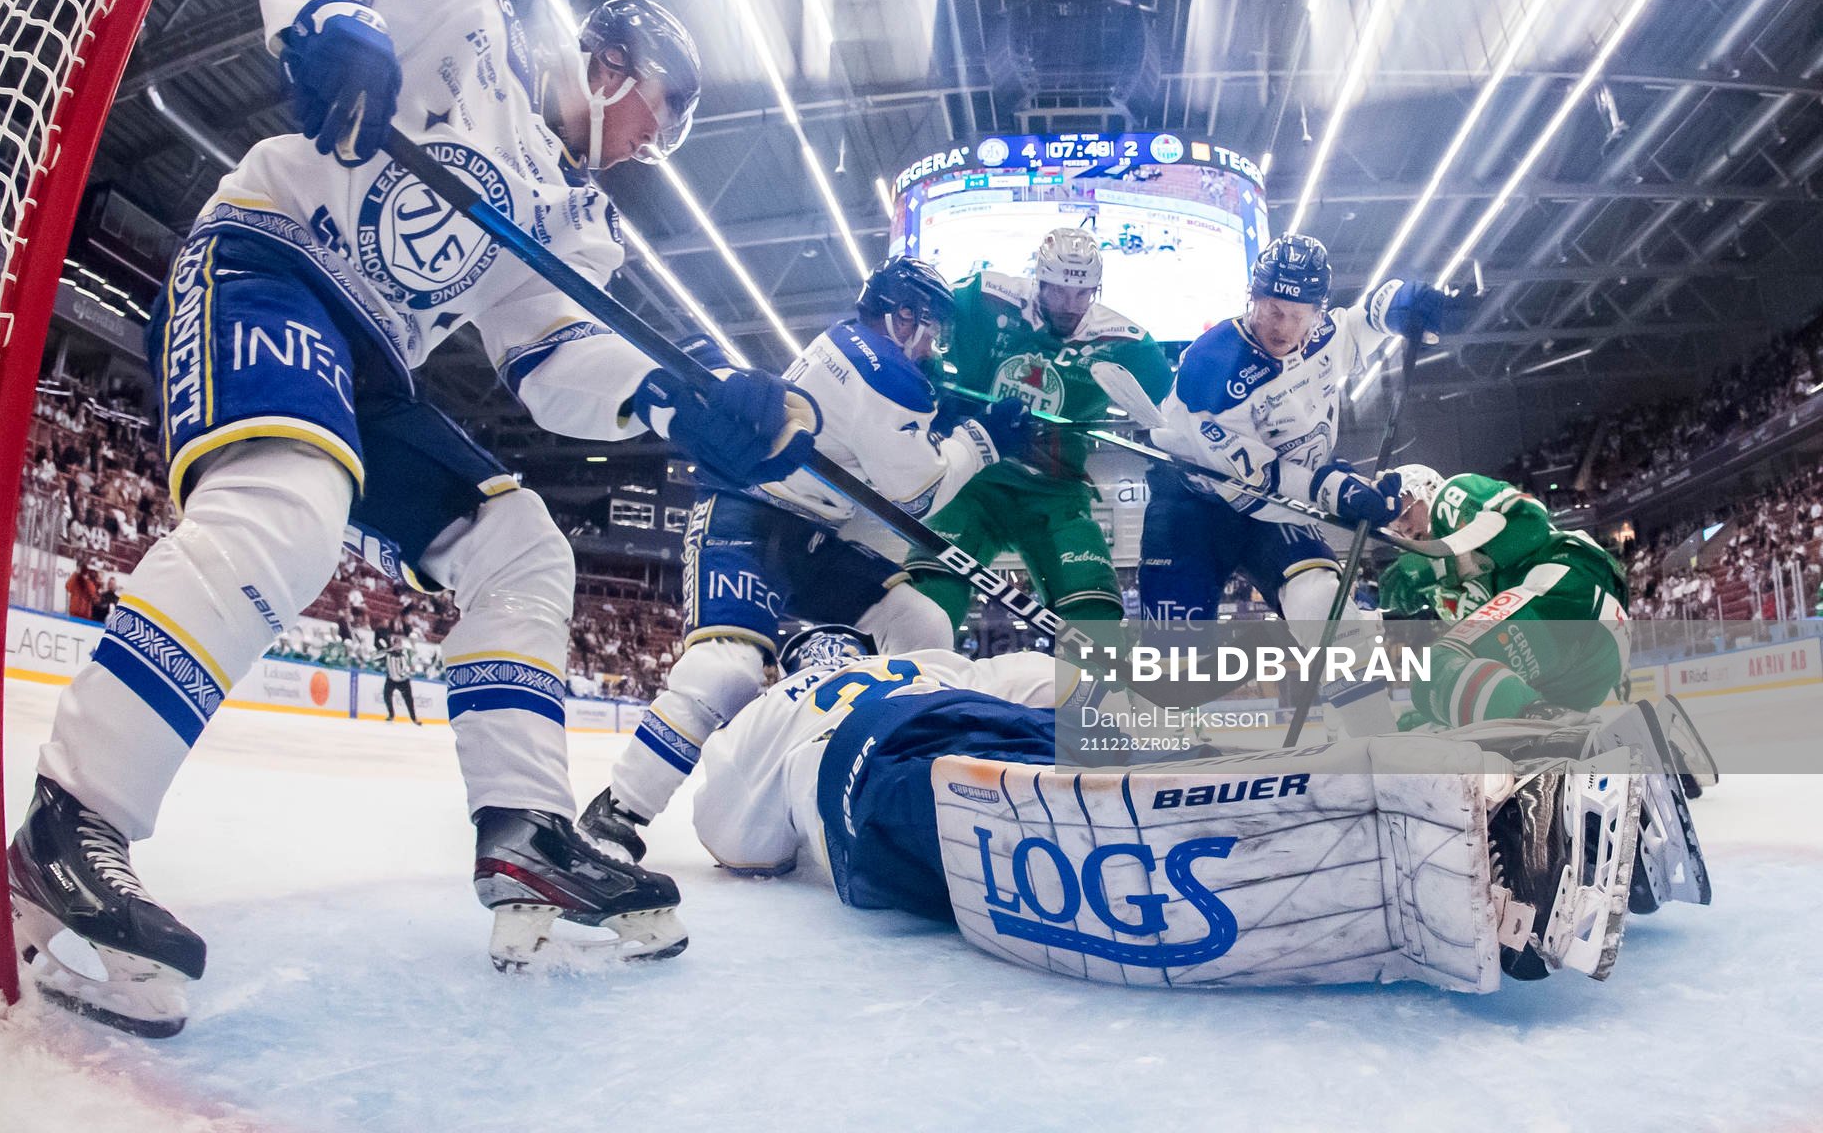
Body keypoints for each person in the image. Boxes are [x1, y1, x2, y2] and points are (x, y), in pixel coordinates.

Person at [7, 0, 814, 1037]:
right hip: (269, 265)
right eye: (658, 115)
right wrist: (330, 25)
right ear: (613, 64)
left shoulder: (572, 219)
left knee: (524, 547)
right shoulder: (468, 20)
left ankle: (526, 831)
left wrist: (677, 399)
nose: (650, 145)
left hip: (376, 361)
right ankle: (72, 820)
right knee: (291, 506)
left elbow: (557, 360)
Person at [689, 626, 1699, 990]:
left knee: (1022, 828)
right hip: (984, 711)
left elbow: (732, 832)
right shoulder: (933, 657)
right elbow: (1054, 689)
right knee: (1150, 773)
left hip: (864, 772)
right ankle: (1517, 766)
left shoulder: (787, 704)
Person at [577, 258, 1033, 863]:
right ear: (903, 317)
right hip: (745, 516)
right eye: (932, 328)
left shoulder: (855, 346)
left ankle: (899, 755)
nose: (936, 344)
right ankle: (617, 810)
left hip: (813, 535)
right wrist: (981, 440)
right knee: (725, 673)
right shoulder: (890, 375)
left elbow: (870, 436)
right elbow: (918, 492)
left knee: (920, 623)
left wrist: (943, 416)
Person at [1137, 233, 1449, 734]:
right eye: (1272, 309)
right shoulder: (1213, 368)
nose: (1282, 327)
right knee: (1172, 659)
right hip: (1194, 507)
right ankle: (1166, 746)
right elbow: (1257, 480)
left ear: (1317, 311)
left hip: (1279, 508)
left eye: (1297, 314)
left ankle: (1376, 742)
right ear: (1252, 297)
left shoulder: (1324, 334)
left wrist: (1402, 303)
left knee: (1325, 604)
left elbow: (1362, 322)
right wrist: (1339, 490)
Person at [905, 228, 1172, 625]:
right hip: (973, 478)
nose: (1070, 305)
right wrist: (922, 369)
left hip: (1056, 491)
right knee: (929, 596)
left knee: (1095, 609)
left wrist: (1175, 439)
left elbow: (1173, 405)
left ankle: (1089, 668)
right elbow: (920, 317)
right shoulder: (984, 296)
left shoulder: (1126, 342)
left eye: (1083, 294)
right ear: (1039, 280)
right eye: (1059, 291)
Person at [1377, 465, 1633, 731]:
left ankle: (1548, 723)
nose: (1405, 530)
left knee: (1434, 670)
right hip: (1595, 657)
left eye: (1405, 513)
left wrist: (1435, 564)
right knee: (1444, 709)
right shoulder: (1439, 589)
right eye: (1396, 529)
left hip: (1569, 586)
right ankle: (1562, 734)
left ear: (1428, 491)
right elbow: (1485, 660)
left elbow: (1528, 523)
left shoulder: (1449, 498)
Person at [381, 625, 419, 724]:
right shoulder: (388, 654)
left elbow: (412, 661)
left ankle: (414, 718)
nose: (398, 646)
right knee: (386, 696)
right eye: (396, 644)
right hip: (391, 679)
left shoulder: (405, 652)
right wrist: (388, 650)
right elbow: (374, 657)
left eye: (399, 643)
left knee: (409, 700)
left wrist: (411, 668)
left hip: (404, 680)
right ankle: (391, 715)